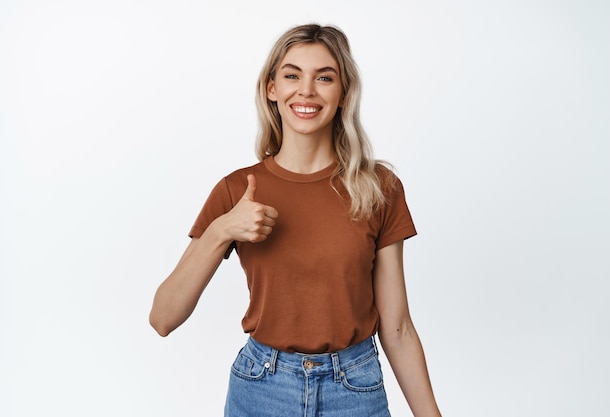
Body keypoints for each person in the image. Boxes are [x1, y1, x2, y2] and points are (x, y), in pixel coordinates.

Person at [149, 23, 442, 417]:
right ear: (271, 88)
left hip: (354, 389)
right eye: (291, 75)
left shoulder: (379, 188)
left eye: (324, 78)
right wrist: (222, 230)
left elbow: (398, 328)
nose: (306, 90)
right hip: (261, 388)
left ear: (343, 94)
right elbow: (163, 317)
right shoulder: (236, 190)